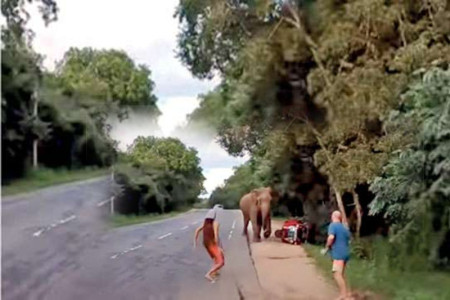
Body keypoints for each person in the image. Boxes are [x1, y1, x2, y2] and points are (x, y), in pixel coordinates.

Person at [321, 210, 351, 299]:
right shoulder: (344, 227)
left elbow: (331, 237)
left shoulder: (333, 226)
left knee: (337, 274)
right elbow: (349, 239)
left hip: (339, 253)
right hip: (346, 253)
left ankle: (344, 295)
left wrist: (326, 247)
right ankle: (347, 293)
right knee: (341, 274)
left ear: (333, 217)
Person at [193, 205, 225, 282]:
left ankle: (215, 272)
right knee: (221, 262)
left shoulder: (206, 223)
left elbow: (197, 230)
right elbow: (216, 233)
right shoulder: (215, 222)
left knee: (217, 257)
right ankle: (209, 274)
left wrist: (195, 241)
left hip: (206, 242)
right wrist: (219, 246)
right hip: (211, 242)